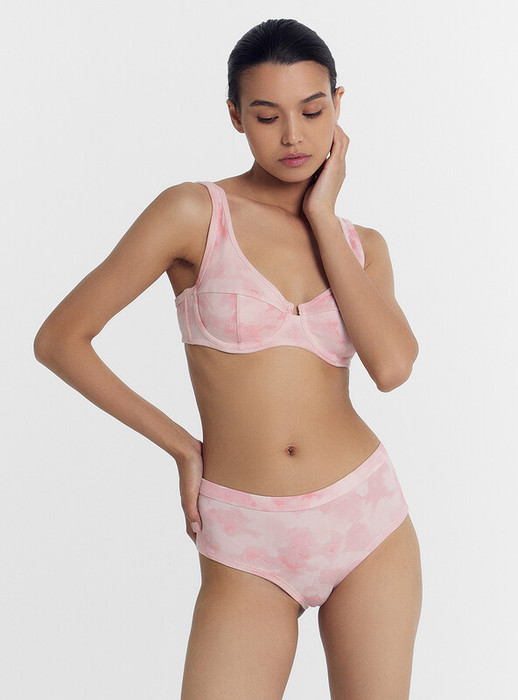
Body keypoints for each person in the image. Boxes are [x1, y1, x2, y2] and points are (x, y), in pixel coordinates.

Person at [33, 17, 423, 700]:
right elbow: (60, 339)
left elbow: (392, 369)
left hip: (367, 521)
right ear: (236, 117)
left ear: (338, 105)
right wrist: (182, 448)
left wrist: (322, 217)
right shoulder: (194, 213)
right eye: (267, 116)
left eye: (312, 111)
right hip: (245, 536)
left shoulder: (364, 246)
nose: (293, 136)